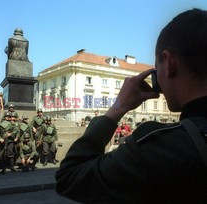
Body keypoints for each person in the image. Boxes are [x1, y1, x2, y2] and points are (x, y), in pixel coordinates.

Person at [55, 9, 207, 203]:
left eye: (156, 67)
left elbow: (69, 178)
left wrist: (117, 107)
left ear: (168, 63)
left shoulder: (156, 148)